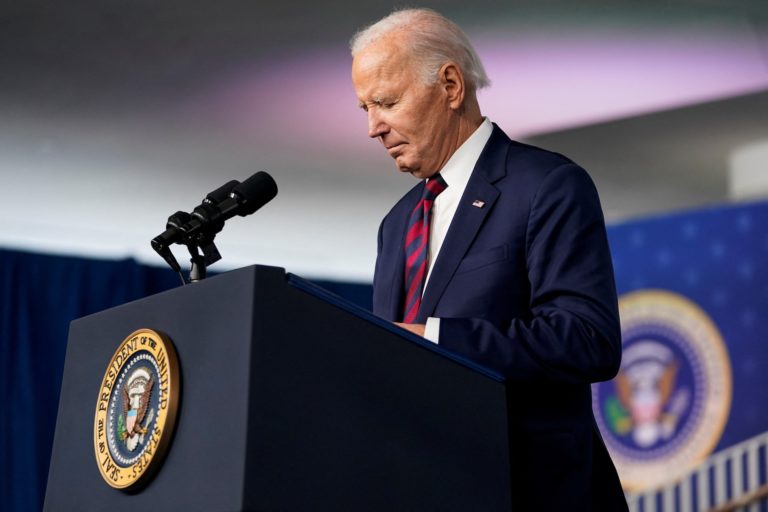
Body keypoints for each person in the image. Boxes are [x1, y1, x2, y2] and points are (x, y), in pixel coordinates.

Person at [350, 8, 628, 510]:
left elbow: (588, 339)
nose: (373, 127)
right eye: (365, 108)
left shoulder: (546, 185)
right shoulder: (396, 225)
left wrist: (432, 338)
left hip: (530, 492)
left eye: (386, 102)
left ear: (451, 86)